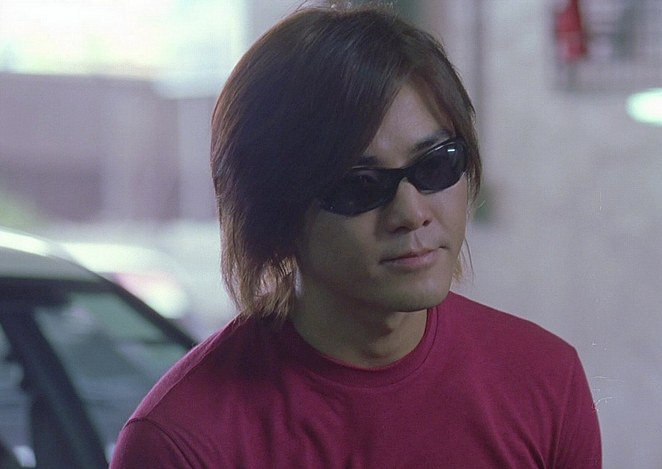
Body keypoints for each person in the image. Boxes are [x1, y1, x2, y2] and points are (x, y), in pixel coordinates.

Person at [111, 2, 601, 467]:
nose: (411, 213)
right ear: (274, 213)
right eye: (360, 185)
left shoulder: (543, 381)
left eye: (436, 165)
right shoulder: (184, 442)